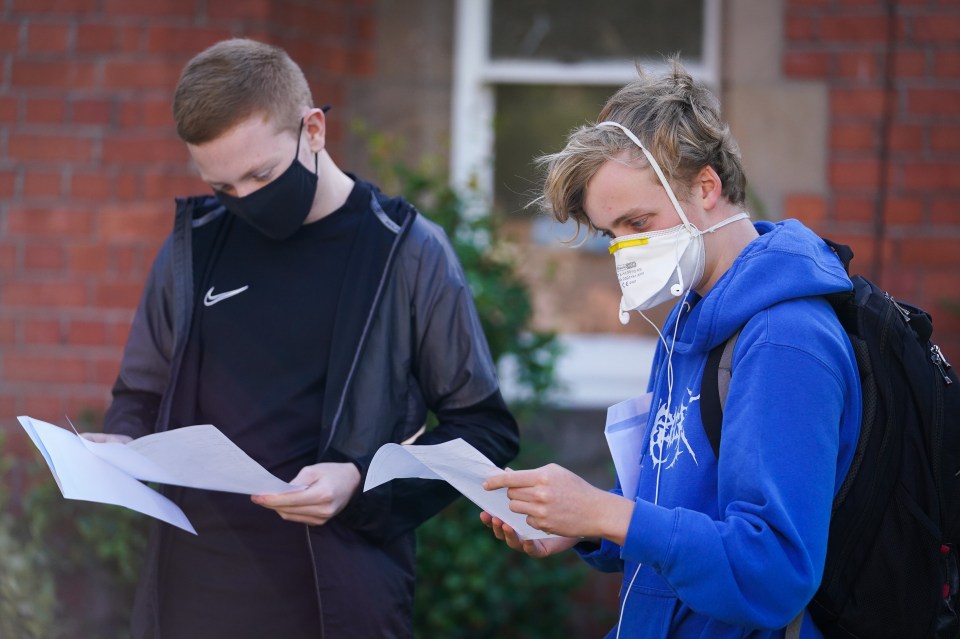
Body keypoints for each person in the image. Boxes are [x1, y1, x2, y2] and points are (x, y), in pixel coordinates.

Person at [87, 38, 519, 639]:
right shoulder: (193, 248)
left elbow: (484, 429)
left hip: (336, 604)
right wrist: (122, 444)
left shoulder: (406, 251)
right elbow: (140, 391)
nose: (245, 201)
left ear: (313, 130)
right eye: (224, 187)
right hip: (189, 597)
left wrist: (360, 481)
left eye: (261, 174)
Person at [480, 59, 862, 638]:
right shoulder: (689, 319)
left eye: (639, 221)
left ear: (707, 187)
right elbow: (673, 500)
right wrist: (583, 526)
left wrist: (605, 513)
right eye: (613, 235)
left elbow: (775, 571)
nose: (627, 250)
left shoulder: (785, 341)